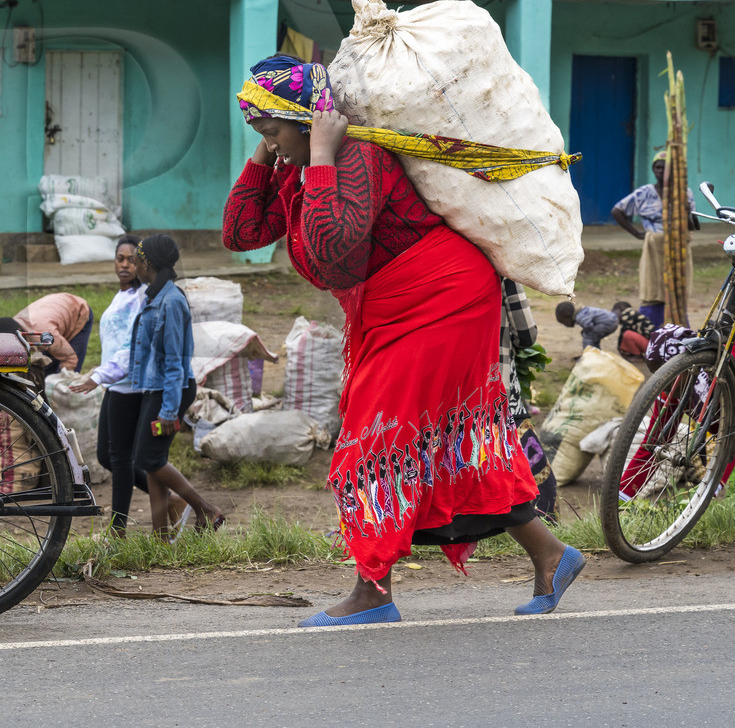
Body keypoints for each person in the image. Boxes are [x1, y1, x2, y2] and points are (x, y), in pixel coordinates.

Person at [223, 54, 579, 627]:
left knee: (372, 442)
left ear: (309, 121)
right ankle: (551, 554)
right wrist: (273, 150)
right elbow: (241, 232)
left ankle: (372, 590)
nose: (272, 146)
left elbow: (336, 254)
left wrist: (317, 152)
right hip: (392, 310)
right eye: (263, 137)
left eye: (272, 132)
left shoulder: (358, 156)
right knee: (452, 447)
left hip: (444, 298)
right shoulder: (296, 163)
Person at [70, 236, 187, 533]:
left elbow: (133, 348)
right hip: (116, 383)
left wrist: (99, 375)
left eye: (131, 259)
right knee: (107, 456)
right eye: (120, 258)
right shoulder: (121, 296)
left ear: (143, 263)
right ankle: (172, 500)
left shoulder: (143, 298)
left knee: (121, 457)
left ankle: (117, 529)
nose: (125, 264)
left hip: (131, 384)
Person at [612, 148, 699, 328]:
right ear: (653, 169)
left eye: (665, 167)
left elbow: (693, 225)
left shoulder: (685, 193)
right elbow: (617, 210)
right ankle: (650, 333)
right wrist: (637, 234)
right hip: (654, 248)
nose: (661, 171)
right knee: (653, 290)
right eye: (658, 167)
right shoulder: (645, 193)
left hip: (679, 247)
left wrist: (685, 212)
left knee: (677, 290)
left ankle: (678, 331)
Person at [499, 280, 557, 520]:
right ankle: (545, 529)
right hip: (499, 392)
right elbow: (526, 334)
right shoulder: (501, 266)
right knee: (540, 481)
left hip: (442, 398)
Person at [0, 292, 93, 377]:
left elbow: (70, 358)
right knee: (46, 369)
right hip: (54, 307)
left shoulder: (44, 335)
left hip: (78, 310)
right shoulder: (14, 324)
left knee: (66, 370)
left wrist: (62, 382)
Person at [554, 301, 620, 350]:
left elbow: (588, 326)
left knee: (588, 336)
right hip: (612, 320)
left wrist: (584, 331)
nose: (566, 325)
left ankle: (588, 354)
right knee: (593, 336)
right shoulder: (583, 311)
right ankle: (596, 351)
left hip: (609, 323)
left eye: (564, 323)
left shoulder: (579, 316)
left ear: (568, 316)